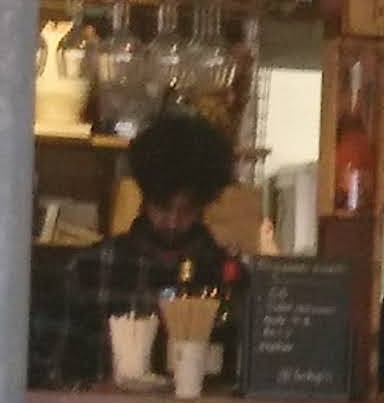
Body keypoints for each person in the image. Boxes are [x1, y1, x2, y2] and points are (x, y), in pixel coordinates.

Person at [41, 105, 245, 388]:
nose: (173, 222)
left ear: (204, 204)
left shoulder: (228, 277)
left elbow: (243, 383)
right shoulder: (90, 270)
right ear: (145, 196)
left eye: (187, 210)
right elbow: (54, 378)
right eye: (162, 206)